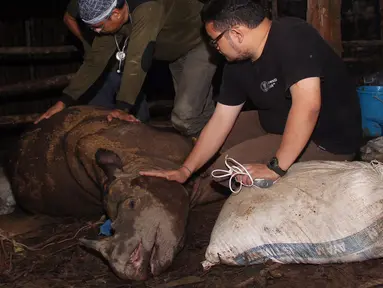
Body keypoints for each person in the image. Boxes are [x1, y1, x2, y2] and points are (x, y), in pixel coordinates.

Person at [140, 0, 362, 189]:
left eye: (214, 41)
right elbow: (220, 120)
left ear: (236, 34)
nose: (213, 48)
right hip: (276, 121)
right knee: (203, 147)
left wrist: (275, 167)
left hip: (327, 141)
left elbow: (308, 106)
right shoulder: (237, 63)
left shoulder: (294, 36)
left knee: (224, 171)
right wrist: (185, 170)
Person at [35, 0, 217, 136]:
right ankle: (211, 156)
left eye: (97, 27)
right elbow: (94, 61)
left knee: (185, 116)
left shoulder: (147, 9)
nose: (95, 33)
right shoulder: (112, 20)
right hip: (174, 52)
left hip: (198, 44)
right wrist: (63, 102)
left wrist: (122, 108)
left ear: (115, 14)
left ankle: (212, 154)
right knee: (198, 112)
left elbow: (138, 59)